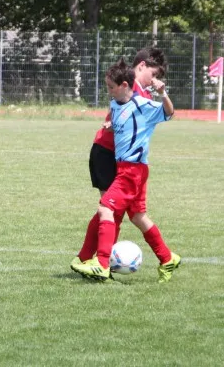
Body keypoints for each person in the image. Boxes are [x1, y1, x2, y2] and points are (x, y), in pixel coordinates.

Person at [71, 58, 181, 283]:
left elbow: (169, 113)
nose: (109, 91)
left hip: (132, 170)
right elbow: (123, 122)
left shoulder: (143, 105)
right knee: (138, 216)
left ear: (124, 85)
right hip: (128, 168)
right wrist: (112, 126)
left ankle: (102, 264)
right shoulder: (115, 104)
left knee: (105, 208)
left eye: (111, 87)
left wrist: (163, 94)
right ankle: (167, 258)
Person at [89, 47, 168, 243]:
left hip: (125, 160)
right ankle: (98, 256)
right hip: (107, 152)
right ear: (142, 66)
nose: (154, 80)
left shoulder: (140, 94)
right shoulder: (130, 90)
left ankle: (100, 255)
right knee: (109, 208)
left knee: (115, 210)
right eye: (153, 74)